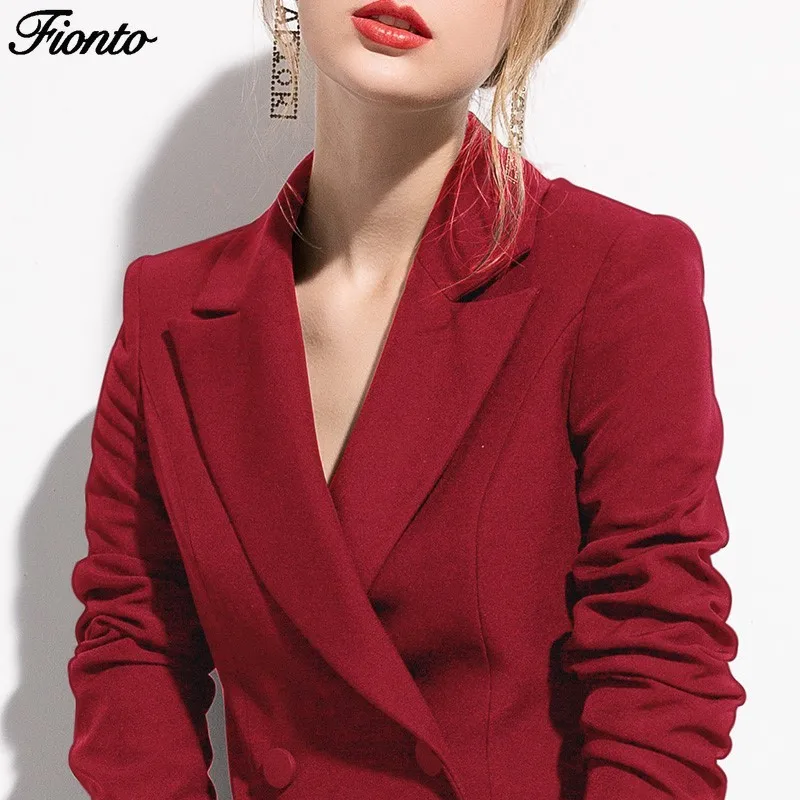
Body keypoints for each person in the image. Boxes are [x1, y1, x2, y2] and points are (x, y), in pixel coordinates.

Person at [67, 1, 747, 798]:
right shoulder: (169, 314)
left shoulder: (615, 274)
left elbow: (660, 656)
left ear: (527, 18)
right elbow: (133, 641)